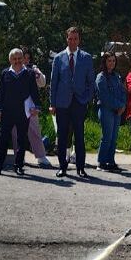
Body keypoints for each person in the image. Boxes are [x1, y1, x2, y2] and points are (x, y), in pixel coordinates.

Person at [0, 48, 41, 176]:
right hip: (7, 112)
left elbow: (34, 91)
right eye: (14, 59)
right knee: (2, 140)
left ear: (23, 59)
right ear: (10, 60)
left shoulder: (29, 73)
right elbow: (0, 93)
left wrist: (37, 107)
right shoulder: (5, 73)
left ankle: (18, 166)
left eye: (19, 58)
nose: (17, 61)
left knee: (22, 140)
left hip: (23, 111)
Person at [49, 26, 95, 178]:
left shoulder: (86, 58)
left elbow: (91, 82)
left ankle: (80, 168)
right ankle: (62, 167)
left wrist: (86, 99)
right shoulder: (58, 58)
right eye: (70, 38)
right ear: (66, 39)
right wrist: (52, 103)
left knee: (79, 137)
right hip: (62, 103)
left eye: (75, 38)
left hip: (79, 103)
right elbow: (53, 82)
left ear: (79, 39)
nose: (73, 41)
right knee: (62, 137)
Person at [12, 48, 52, 168]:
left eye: (28, 58)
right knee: (15, 132)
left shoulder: (33, 69)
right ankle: (18, 156)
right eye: (24, 57)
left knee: (34, 131)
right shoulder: (12, 69)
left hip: (31, 106)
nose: (26, 60)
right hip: (15, 105)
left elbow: (43, 83)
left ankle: (41, 156)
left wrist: (38, 74)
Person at [95, 52, 126, 172]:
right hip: (106, 110)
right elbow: (104, 97)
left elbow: (123, 91)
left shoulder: (117, 76)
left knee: (114, 137)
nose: (112, 63)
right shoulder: (100, 77)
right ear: (104, 62)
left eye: (113, 61)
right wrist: (118, 105)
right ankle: (101, 162)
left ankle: (110, 161)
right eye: (109, 61)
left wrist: (122, 105)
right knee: (107, 137)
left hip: (118, 111)